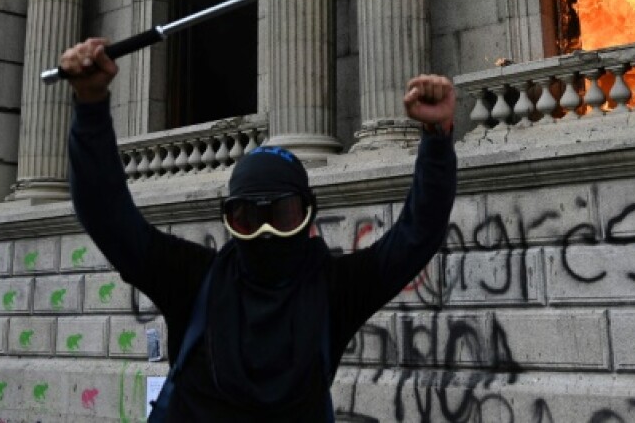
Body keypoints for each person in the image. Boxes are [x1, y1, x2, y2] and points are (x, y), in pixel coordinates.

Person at [60, 37, 457, 422]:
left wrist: (437, 139)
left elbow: (415, 236)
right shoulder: (195, 279)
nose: (266, 231)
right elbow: (108, 217)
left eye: (282, 214)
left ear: (307, 214)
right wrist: (90, 106)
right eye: (248, 219)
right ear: (229, 220)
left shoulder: (335, 290)